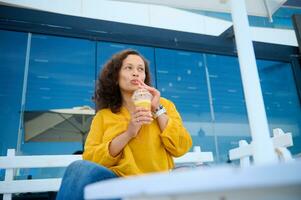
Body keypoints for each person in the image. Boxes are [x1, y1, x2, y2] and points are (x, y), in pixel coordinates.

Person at [56, 49, 192, 200]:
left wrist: (158, 109)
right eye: (129, 68)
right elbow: (91, 159)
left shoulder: (164, 105)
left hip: (156, 183)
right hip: (118, 185)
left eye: (141, 69)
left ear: (145, 77)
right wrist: (128, 133)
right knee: (77, 168)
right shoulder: (104, 116)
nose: (136, 73)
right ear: (116, 77)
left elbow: (181, 147)